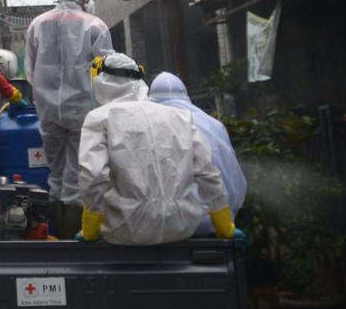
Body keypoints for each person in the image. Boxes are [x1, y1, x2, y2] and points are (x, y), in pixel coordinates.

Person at [76, 53, 243, 245]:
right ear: (139, 80)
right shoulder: (181, 116)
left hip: (125, 230)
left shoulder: (98, 118)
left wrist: (90, 229)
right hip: (181, 227)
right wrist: (225, 226)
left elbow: (94, 175)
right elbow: (207, 173)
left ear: (102, 82)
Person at [24, 0, 113, 238]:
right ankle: (73, 242)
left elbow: (30, 70)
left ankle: (57, 237)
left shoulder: (37, 25)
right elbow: (105, 71)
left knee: (56, 175)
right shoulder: (95, 26)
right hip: (84, 112)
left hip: (48, 112)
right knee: (77, 177)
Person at [149, 72, 248, 235]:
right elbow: (233, 180)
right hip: (211, 225)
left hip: (155, 228)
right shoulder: (213, 126)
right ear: (185, 96)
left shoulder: (144, 127)